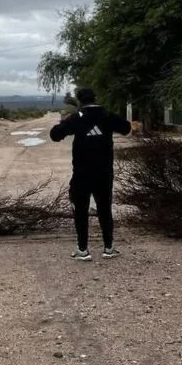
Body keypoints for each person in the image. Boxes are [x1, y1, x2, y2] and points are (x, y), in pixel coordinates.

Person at [49, 88, 131, 261]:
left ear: (79, 101)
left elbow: (55, 135)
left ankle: (83, 250)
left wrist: (68, 122)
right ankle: (108, 248)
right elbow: (126, 128)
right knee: (105, 209)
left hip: (82, 173)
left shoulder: (76, 118)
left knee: (80, 210)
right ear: (96, 98)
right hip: (104, 172)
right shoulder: (107, 115)